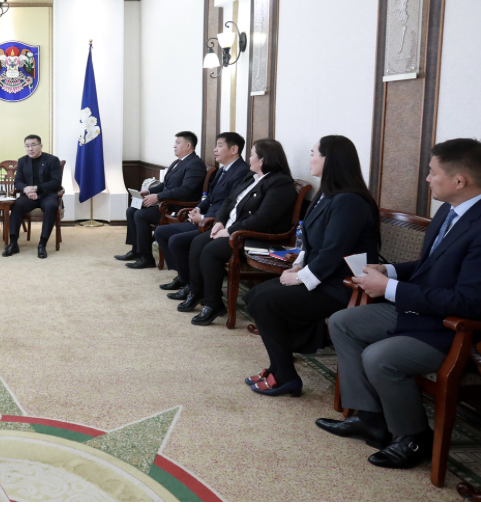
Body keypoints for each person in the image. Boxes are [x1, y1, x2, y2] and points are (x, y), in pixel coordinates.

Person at [319, 139, 481, 470]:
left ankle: (413, 437)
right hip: (432, 312)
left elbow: (471, 302)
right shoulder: (450, 210)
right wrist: (390, 272)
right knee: (342, 321)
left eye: (433, 172)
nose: (427, 179)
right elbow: (432, 266)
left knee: (380, 357)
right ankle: (370, 418)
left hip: (468, 328)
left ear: (459, 180)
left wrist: (390, 289)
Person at [242, 135, 380, 397]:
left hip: (343, 285)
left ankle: (285, 376)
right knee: (256, 296)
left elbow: (335, 251)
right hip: (324, 277)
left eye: (314, 154)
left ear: (331, 160)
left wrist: (301, 277)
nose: (311, 159)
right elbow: (310, 242)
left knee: (265, 302)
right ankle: (278, 367)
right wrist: (298, 266)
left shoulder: (349, 200)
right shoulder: (327, 194)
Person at [180, 139, 297, 325]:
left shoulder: (280, 183)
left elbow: (263, 219)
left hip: (254, 237)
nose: (248, 158)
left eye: (252, 155)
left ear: (263, 159)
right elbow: (229, 200)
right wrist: (219, 222)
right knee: (198, 242)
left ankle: (213, 303)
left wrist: (230, 231)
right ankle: (196, 292)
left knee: (210, 251)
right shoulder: (252, 176)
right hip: (233, 230)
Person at [155, 132, 251, 293]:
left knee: (176, 241)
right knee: (161, 232)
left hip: (215, 223)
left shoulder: (242, 172)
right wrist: (198, 209)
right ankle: (184, 277)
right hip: (205, 219)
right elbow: (210, 197)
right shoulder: (222, 170)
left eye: (219, 146)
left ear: (234, 149)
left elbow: (232, 205)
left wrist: (205, 218)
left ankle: (190, 283)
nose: (215, 149)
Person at [115, 131, 206, 269]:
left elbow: (186, 190)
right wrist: (149, 192)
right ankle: (136, 251)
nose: (174, 146)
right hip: (167, 203)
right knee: (132, 210)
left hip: (178, 208)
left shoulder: (195, 164)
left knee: (141, 215)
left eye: (178, 143)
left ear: (188, 145)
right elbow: (166, 185)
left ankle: (146, 258)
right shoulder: (177, 162)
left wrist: (158, 197)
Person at [3, 134, 63, 259]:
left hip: (47, 195)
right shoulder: (22, 161)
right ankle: (13, 243)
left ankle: (42, 244)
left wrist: (35, 188)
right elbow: (18, 181)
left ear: (40, 146)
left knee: (51, 206)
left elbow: (56, 182)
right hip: (29, 196)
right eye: (27, 146)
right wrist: (26, 189)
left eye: (33, 145)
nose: (30, 149)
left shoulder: (52, 160)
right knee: (16, 205)